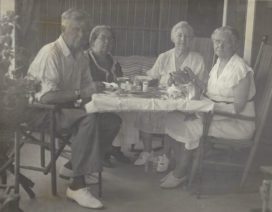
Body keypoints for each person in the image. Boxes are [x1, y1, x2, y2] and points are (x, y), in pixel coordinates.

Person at [26, 8, 121, 209]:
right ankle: (77, 186)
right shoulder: (51, 52)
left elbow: (87, 89)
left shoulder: (81, 56)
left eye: (84, 31)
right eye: (76, 30)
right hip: (42, 111)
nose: (81, 35)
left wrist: (100, 90)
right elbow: (47, 96)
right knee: (88, 119)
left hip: (67, 109)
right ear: (63, 29)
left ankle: (75, 166)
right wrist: (81, 93)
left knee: (112, 121)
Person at [161, 26, 256, 188]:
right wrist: (192, 79)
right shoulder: (220, 62)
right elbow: (210, 91)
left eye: (223, 42)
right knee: (173, 117)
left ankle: (181, 172)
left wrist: (205, 111)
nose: (218, 46)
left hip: (236, 123)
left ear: (234, 44)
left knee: (190, 125)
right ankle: (185, 164)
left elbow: (238, 108)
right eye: (216, 42)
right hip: (216, 116)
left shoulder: (240, 69)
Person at [134, 21, 207, 173]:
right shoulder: (164, 56)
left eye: (187, 36)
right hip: (163, 96)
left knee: (174, 116)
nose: (183, 39)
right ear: (173, 38)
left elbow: (202, 85)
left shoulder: (197, 58)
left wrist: (189, 80)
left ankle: (165, 155)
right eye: (179, 35)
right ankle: (148, 152)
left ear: (192, 39)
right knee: (145, 110)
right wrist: (140, 79)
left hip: (185, 100)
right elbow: (152, 75)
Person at [87, 25, 130, 166]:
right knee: (114, 116)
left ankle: (115, 149)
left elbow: (120, 79)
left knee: (130, 113)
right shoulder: (85, 58)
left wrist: (124, 83)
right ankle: (103, 151)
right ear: (93, 40)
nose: (107, 42)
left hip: (111, 100)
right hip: (91, 101)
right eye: (103, 38)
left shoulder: (112, 60)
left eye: (110, 39)